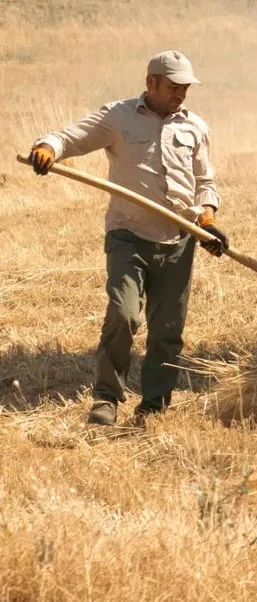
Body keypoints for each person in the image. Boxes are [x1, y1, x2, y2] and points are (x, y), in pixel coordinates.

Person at [27, 50, 228, 427]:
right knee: (123, 315)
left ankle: (154, 404)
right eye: (174, 86)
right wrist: (48, 148)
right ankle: (106, 399)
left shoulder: (195, 127)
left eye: (186, 87)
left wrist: (207, 218)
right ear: (151, 82)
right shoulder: (118, 117)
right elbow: (72, 137)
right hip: (128, 236)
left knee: (168, 330)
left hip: (179, 240)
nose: (181, 93)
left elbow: (205, 181)